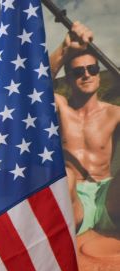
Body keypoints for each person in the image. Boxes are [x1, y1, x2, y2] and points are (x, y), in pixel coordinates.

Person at [49, 22, 120, 236]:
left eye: (93, 69)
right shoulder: (60, 108)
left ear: (99, 74)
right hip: (73, 199)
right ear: (68, 78)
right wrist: (65, 49)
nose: (86, 74)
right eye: (78, 71)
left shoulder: (115, 113)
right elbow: (33, 88)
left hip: (109, 195)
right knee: (66, 175)